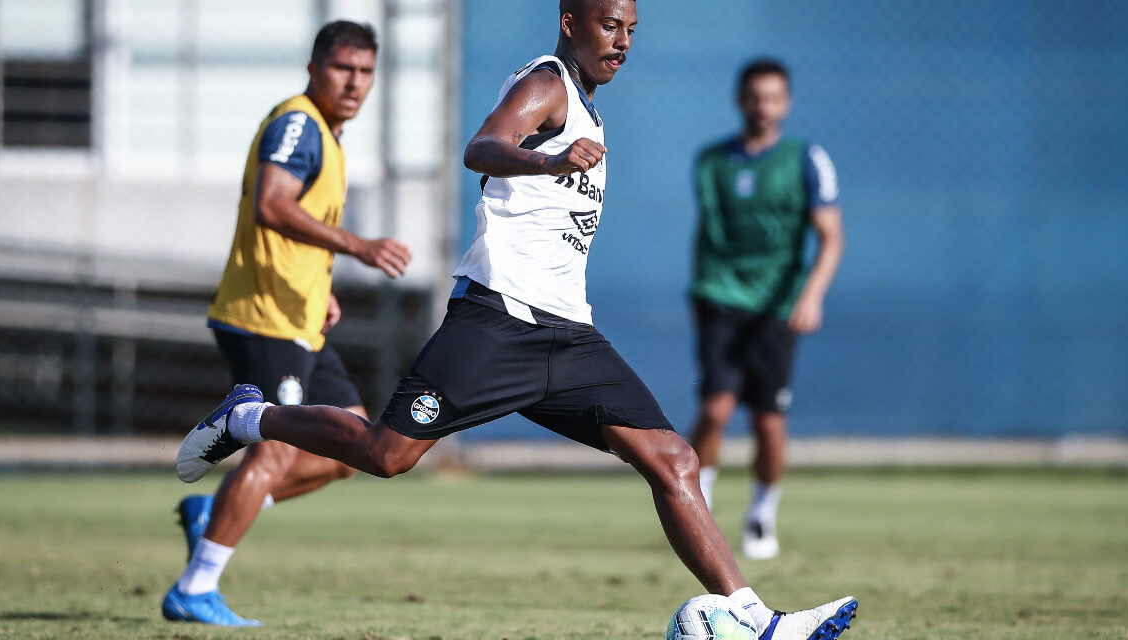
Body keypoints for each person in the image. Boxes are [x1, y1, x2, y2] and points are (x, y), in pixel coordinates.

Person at [175, 3, 857, 638]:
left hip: (568, 333)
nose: (622, 40)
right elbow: (484, 145)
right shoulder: (547, 81)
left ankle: (756, 621)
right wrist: (548, 159)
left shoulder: (587, 107)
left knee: (673, 458)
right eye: (609, 25)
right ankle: (247, 418)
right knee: (386, 456)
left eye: (632, 30)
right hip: (497, 321)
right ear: (570, 22)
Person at [161, 20, 412, 627]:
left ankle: (215, 512)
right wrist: (356, 246)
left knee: (352, 444)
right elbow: (272, 204)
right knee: (276, 448)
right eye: (342, 68)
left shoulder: (328, 135)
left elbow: (296, 226)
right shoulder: (299, 123)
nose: (355, 83)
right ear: (313, 68)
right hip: (264, 318)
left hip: (300, 319)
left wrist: (322, 287)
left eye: (365, 71)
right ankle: (196, 587)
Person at [687, 59, 845, 560]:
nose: (763, 107)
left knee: (768, 422)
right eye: (755, 97)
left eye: (773, 97)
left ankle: (761, 514)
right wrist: (702, 298)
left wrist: (811, 295)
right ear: (740, 99)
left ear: (787, 103)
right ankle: (697, 505)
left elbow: (831, 237)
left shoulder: (806, 159)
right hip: (721, 296)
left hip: (777, 306)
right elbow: (709, 238)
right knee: (715, 409)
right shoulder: (712, 161)